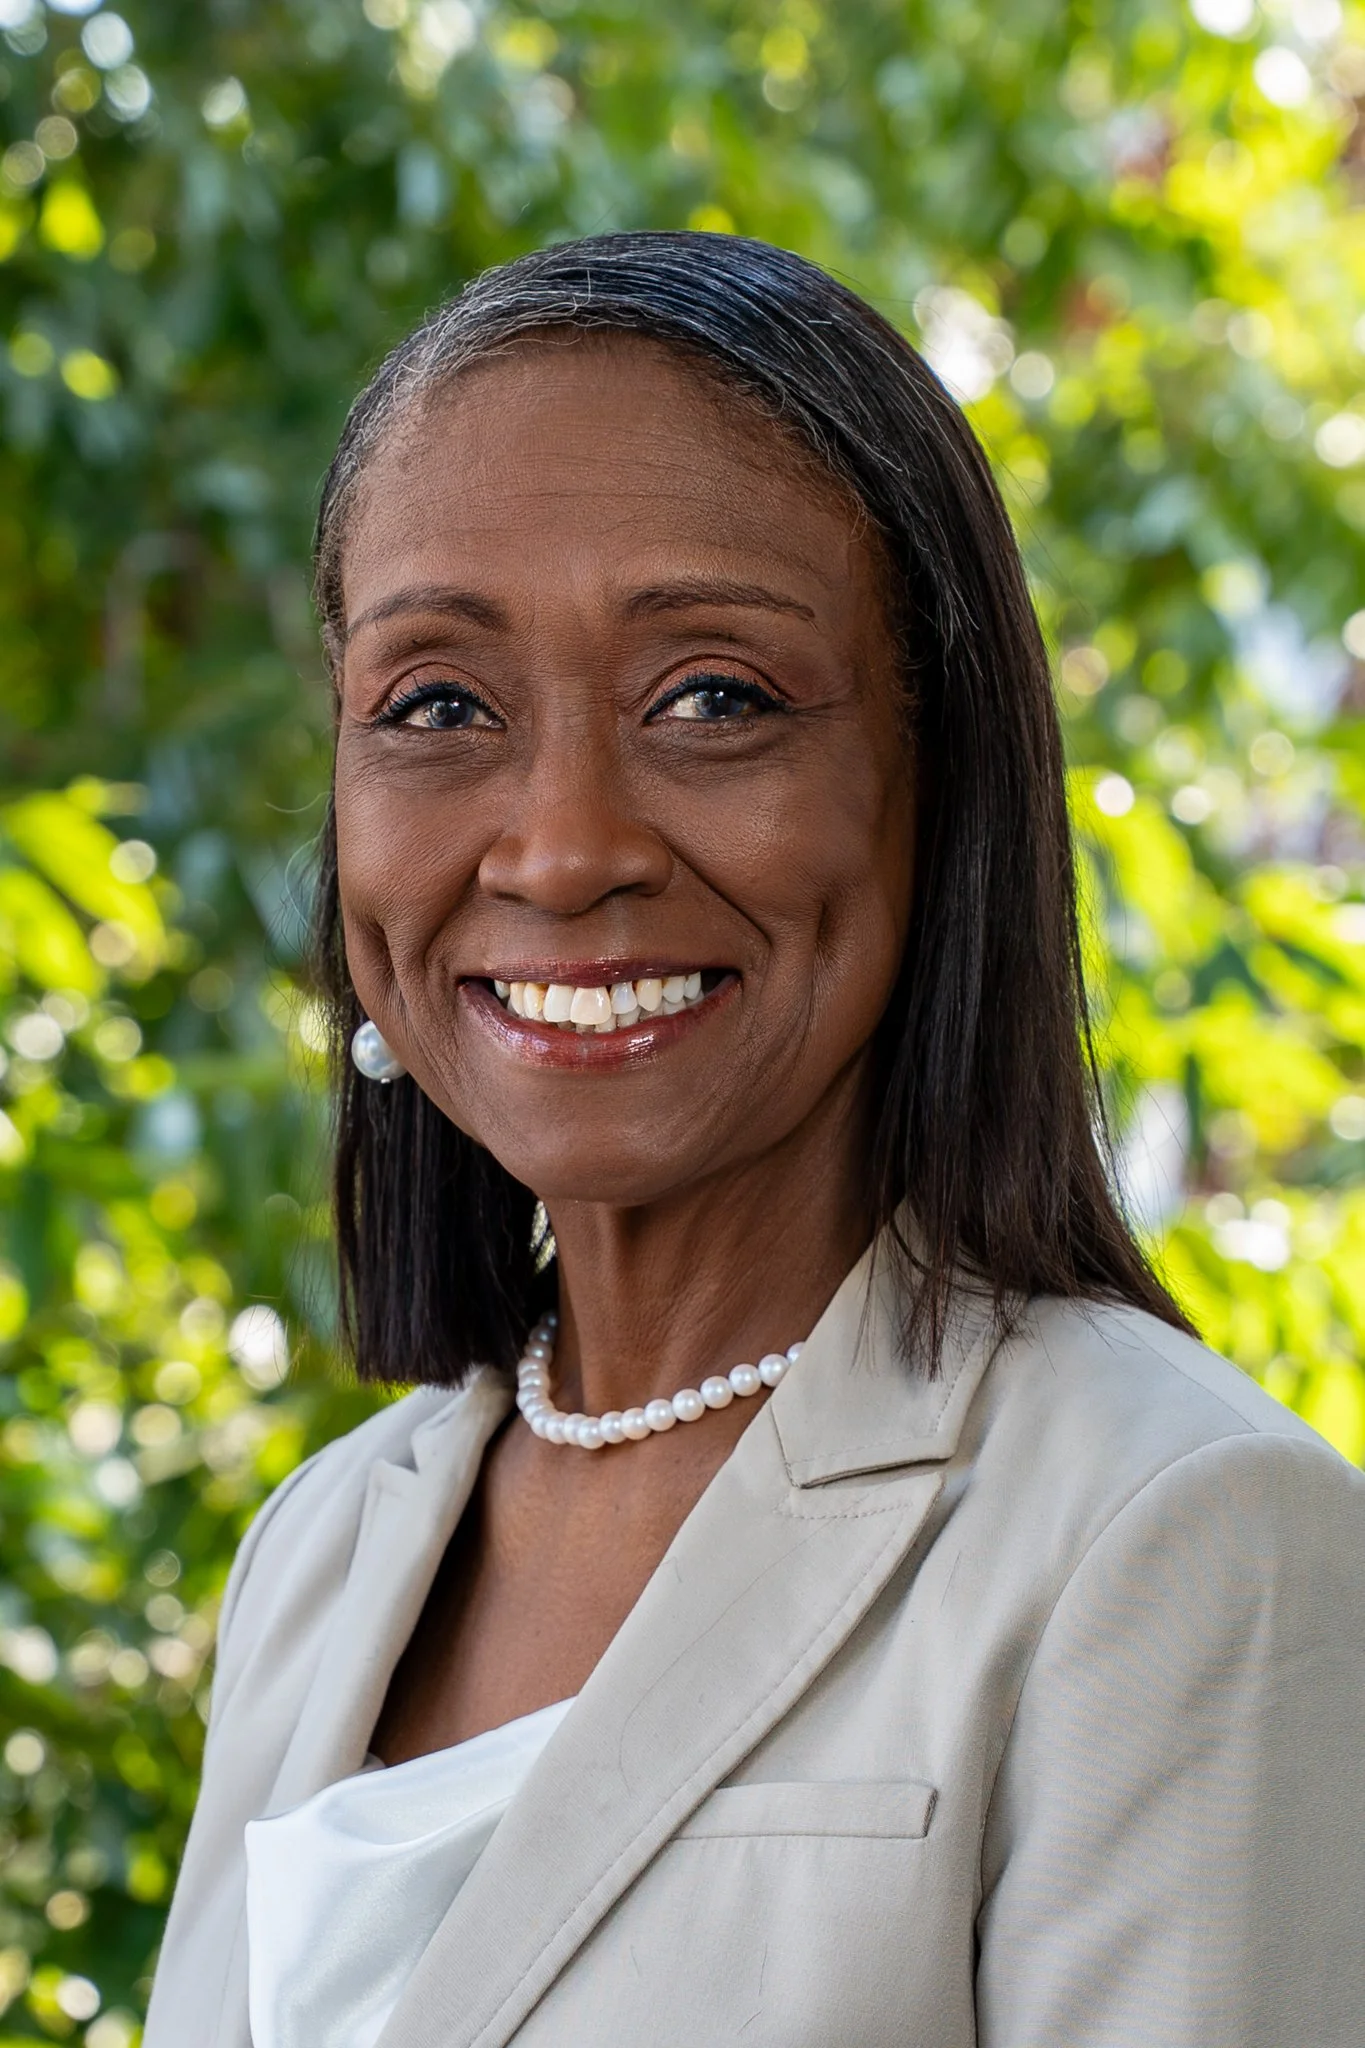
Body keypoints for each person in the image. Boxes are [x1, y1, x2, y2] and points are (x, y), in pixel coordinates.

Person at [144, 233, 1365, 2048]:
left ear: (935, 782)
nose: (563, 848)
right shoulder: (324, 1553)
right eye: (437, 707)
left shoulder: (1175, 1534)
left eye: (713, 698)